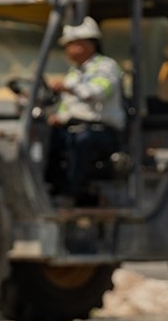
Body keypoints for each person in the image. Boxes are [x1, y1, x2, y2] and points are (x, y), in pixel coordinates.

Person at [47, 16, 126, 202]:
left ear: (86, 44)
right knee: (46, 138)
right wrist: (58, 117)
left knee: (81, 141)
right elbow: (68, 105)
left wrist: (69, 87)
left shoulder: (106, 66)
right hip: (75, 126)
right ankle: (51, 187)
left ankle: (72, 192)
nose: (68, 49)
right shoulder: (74, 72)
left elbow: (98, 92)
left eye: (71, 44)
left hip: (102, 130)